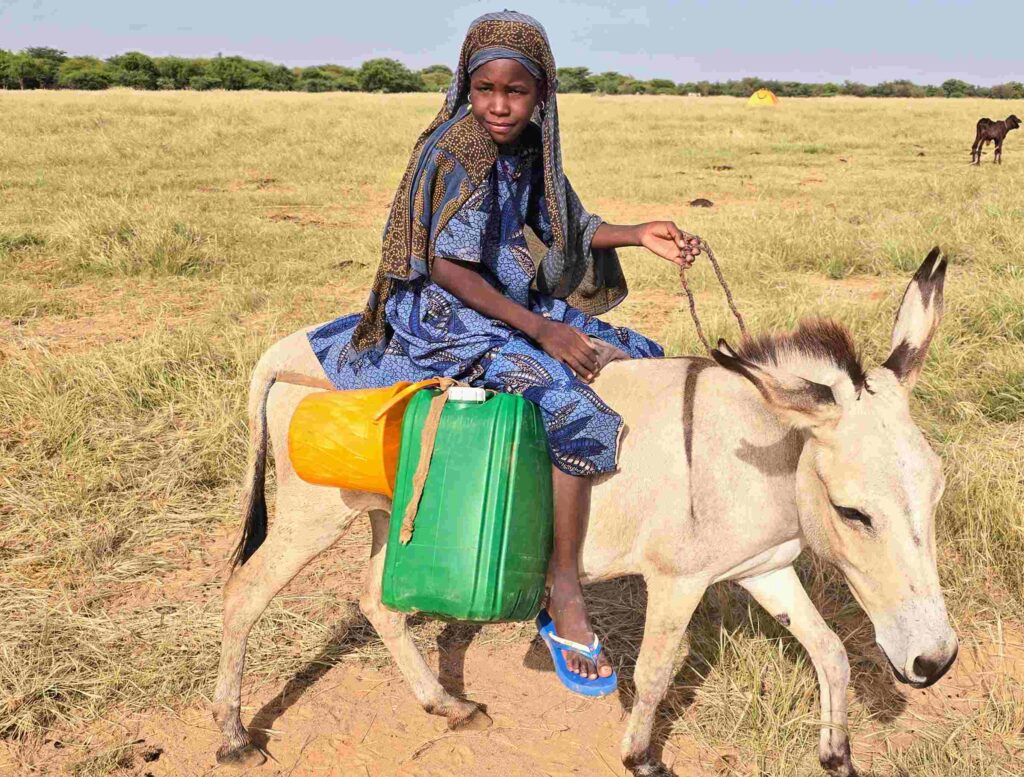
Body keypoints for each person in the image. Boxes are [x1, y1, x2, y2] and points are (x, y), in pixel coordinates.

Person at [309, 10, 700, 693]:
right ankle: (563, 590)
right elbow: (449, 266)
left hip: (500, 296)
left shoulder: (529, 146)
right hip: (445, 313)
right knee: (573, 405)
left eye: (514, 92)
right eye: (485, 88)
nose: (498, 103)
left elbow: (566, 225)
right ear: (467, 85)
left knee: (634, 353)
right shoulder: (459, 148)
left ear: (541, 93)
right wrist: (544, 329)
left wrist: (640, 233)